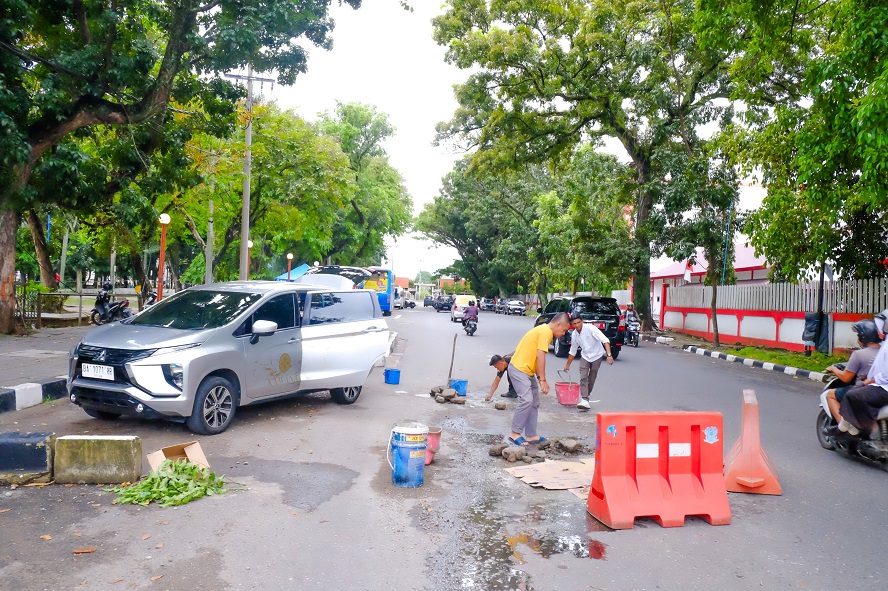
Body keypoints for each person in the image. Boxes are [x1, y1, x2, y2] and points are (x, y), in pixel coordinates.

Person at [506, 312, 571, 446]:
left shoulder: (543, 330)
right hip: (519, 369)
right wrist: (543, 380)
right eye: (564, 330)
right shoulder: (546, 332)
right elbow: (540, 356)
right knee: (526, 399)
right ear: (558, 324)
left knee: (534, 401)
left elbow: (535, 357)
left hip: (527, 371)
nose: (563, 333)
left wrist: (539, 377)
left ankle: (531, 435)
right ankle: (515, 433)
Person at [838, 310, 888, 436]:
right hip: (881, 385)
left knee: (851, 395)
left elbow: (885, 375)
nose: (878, 331)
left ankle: (849, 428)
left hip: (884, 387)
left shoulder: (886, 345)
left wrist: (870, 380)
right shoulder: (884, 343)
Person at [824, 319, 881, 426]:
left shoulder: (859, 354)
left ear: (863, 337)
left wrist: (833, 369)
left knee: (830, 395)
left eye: (858, 336)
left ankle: (843, 426)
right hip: (882, 392)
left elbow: (846, 378)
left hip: (863, 392)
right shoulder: (884, 353)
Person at [563, 315, 614, 410]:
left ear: (582, 321)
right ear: (572, 324)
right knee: (583, 377)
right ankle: (584, 399)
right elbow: (573, 350)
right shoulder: (574, 335)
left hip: (597, 355)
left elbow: (605, 340)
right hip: (585, 356)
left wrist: (609, 355)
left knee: (592, 378)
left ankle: (586, 397)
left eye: (578, 322)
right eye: (574, 323)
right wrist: (567, 365)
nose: (577, 325)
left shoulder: (591, 328)